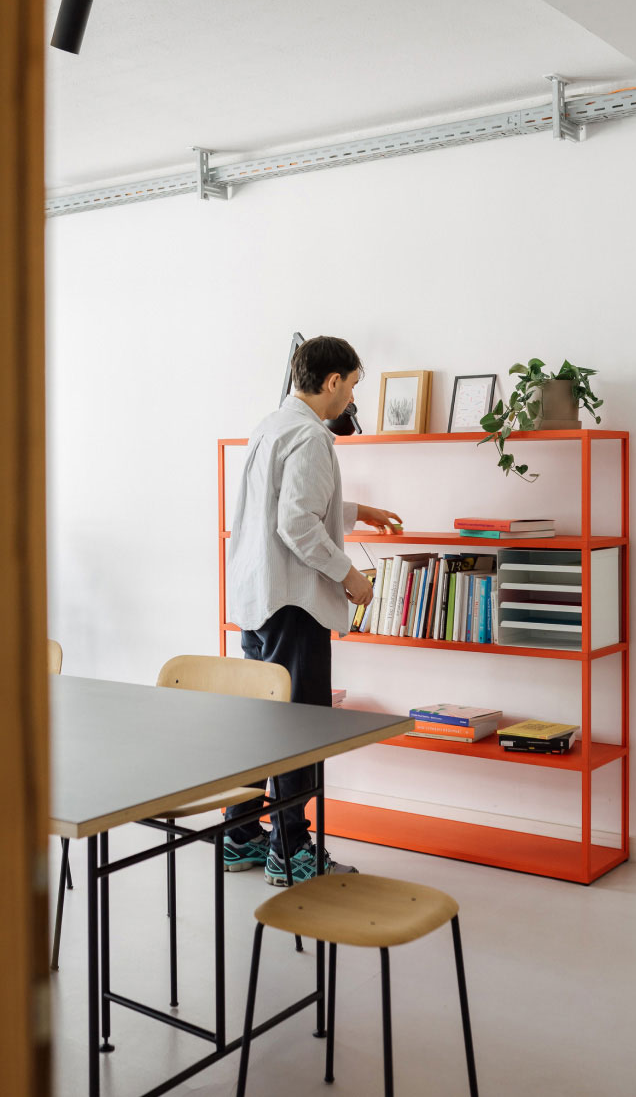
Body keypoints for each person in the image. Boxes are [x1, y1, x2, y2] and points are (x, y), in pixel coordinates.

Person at [225, 335, 401, 885]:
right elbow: (297, 523)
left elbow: (288, 504)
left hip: (258, 601)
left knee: (263, 725)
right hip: (294, 606)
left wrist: (356, 509)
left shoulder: (271, 426)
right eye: (351, 386)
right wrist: (350, 577)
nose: (351, 399)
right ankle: (293, 851)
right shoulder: (311, 436)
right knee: (300, 730)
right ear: (332, 382)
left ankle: (242, 834)